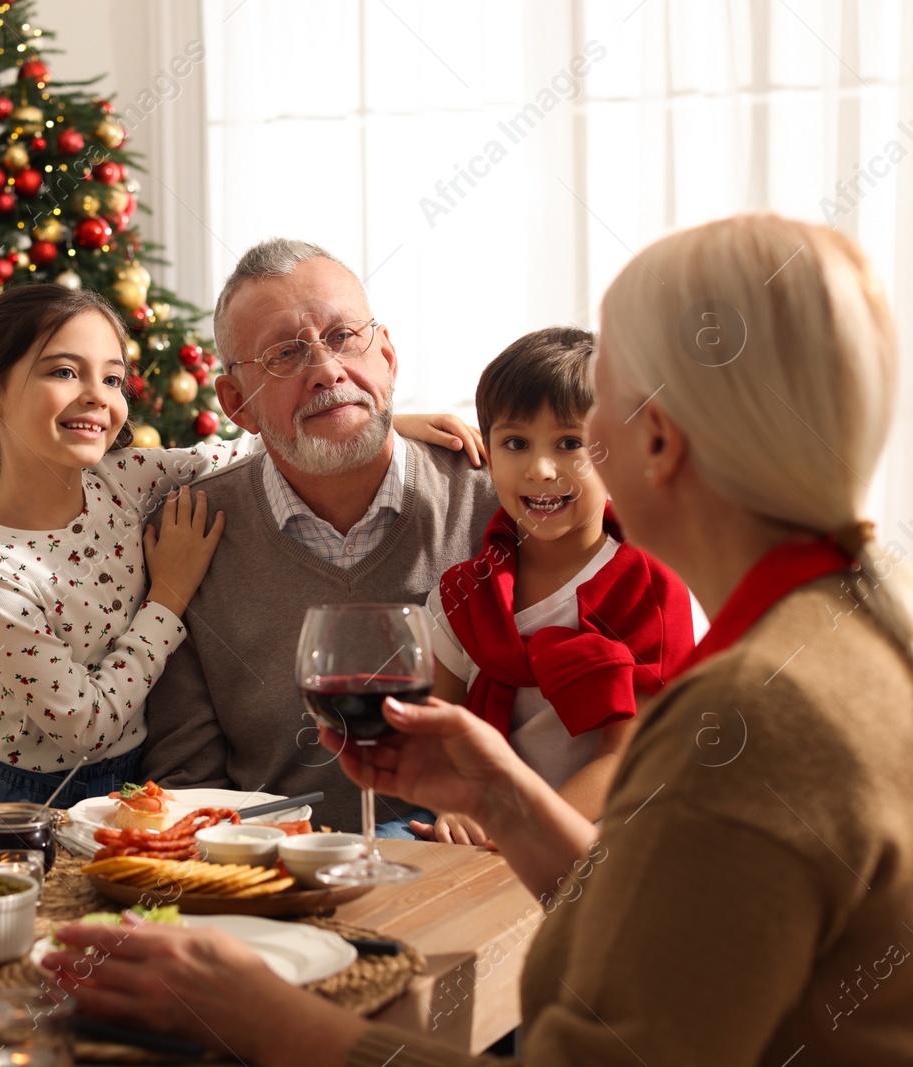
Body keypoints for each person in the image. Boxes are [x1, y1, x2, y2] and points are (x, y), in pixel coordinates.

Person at [47, 214, 913, 1065]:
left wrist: (264, 1022)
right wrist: (503, 798)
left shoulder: (753, 714)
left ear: (656, 440)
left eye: (597, 401)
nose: (548, 461)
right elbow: (670, 940)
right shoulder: (852, 633)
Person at [0, 284, 477, 805]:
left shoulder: (123, 478)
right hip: (33, 795)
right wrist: (169, 596)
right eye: (64, 371)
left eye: (112, 380)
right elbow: (86, 725)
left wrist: (370, 419)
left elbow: (251, 443)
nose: (96, 397)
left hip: (136, 776)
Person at [140, 238, 499, 834]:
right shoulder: (187, 535)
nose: (327, 371)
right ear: (236, 404)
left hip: (471, 868)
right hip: (276, 879)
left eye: (343, 338)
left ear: (386, 355)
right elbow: (187, 783)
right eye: (284, 354)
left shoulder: (495, 504)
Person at [417, 326, 695, 844]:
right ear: (490, 454)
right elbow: (438, 734)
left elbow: (626, 759)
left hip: (610, 830)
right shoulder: (462, 593)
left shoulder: (650, 587)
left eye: (571, 444)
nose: (541, 470)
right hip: (483, 829)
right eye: (516, 443)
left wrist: (524, 826)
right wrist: (458, 807)